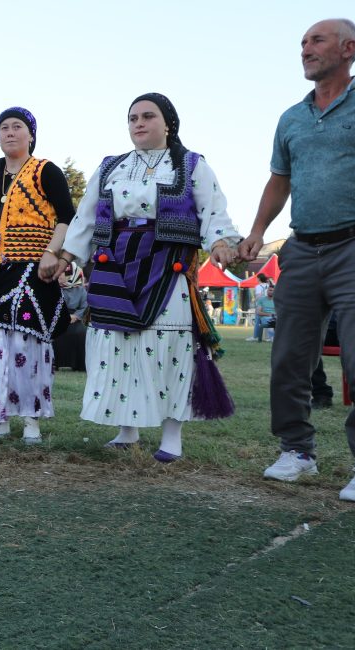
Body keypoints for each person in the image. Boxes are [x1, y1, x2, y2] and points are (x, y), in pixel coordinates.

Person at [56, 92, 240, 462]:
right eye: (132, 118)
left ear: (168, 123)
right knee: (117, 344)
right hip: (114, 261)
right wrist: (68, 255)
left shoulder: (191, 165)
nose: (138, 123)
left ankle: (172, 437)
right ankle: (127, 430)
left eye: (148, 116)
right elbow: (86, 216)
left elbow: (212, 208)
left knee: (169, 346)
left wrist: (220, 242)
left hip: (167, 261)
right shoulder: (111, 167)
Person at [239, 19, 355, 502]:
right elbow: (279, 180)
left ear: (349, 48)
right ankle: (297, 450)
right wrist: (257, 233)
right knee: (289, 358)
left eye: (316, 41)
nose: (305, 50)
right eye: (302, 43)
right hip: (302, 248)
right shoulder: (291, 117)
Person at [0, 107, 73, 444]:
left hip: (34, 268)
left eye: (18, 126)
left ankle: (31, 422)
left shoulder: (46, 171)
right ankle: (0, 421)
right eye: (3, 128)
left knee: (29, 344)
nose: (10, 132)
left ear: (31, 135)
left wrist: (52, 253)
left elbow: (66, 217)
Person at [53, 266, 88, 372]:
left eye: (63, 273)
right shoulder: (53, 288)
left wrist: (76, 316)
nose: (59, 275)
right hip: (58, 317)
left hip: (75, 318)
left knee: (82, 333)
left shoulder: (80, 289)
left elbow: (85, 306)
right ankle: (56, 363)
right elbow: (50, 304)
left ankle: (78, 365)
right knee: (55, 332)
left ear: (71, 276)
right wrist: (63, 316)